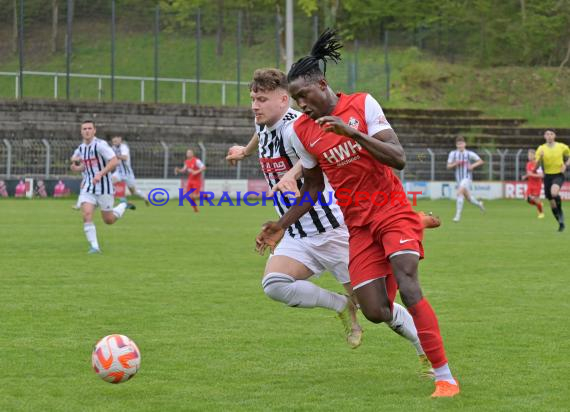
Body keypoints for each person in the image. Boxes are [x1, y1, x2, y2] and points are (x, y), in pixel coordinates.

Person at [255, 30, 459, 397]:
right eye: (297, 99)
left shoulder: (363, 105)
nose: (302, 105)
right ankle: (417, 226)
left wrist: (352, 133)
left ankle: (444, 376)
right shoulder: (302, 131)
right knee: (375, 311)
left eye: (305, 95)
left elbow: (398, 157)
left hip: (392, 210)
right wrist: (281, 225)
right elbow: (314, 188)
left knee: (409, 286)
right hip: (358, 228)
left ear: (323, 84)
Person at [70, 120, 132, 253]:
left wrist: (100, 174)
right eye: (84, 129)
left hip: (104, 187)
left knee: (108, 220)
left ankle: (123, 205)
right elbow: (86, 166)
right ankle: (94, 247)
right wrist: (77, 168)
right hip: (88, 186)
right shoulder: (81, 148)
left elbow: (114, 161)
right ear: (81, 131)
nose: (87, 131)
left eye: (89, 128)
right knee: (86, 214)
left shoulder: (100, 145)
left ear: (94, 131)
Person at [535, 129, 570, 232]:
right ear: (544, 136)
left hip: (558, 175)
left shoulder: (561, 146)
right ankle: (560, 222)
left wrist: (566, 165)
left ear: (554, 136)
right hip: (547, 177)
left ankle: (561, 214)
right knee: (552, 203)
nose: (549, 136)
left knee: (554, 193)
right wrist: (540, 158)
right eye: (547, 134)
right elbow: (536, 166)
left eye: (551, 134)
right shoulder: (541, 149)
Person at [446, 136, 485, 222]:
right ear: (456, 145)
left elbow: (480, 161)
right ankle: (479, 204)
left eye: (461, 144)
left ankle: (457, 216)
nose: (460, 146)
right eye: (458, 144)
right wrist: (455, 163)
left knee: (459, 192)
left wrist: (472, 166)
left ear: (465, 144)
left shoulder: (469, 154)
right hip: (459, 179)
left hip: (467, 178)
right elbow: (448, 166)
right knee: (468, 198)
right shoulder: (453, 154)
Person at [110, 136, 149, 206]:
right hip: (118, 172)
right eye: (113, 142)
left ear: (120, 140)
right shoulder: (113, 148)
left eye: (115, 141)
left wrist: (115, 156)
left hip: (128, 174)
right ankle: (115, 200)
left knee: (133, 192)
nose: (114, 143)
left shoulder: (124, 147)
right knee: (108, 182)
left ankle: (144, 196)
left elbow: (125, 157)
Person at [522, 149, 544, 218]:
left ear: (534, 156)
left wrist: (531, 175)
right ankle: (539, 204)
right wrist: (525, 176)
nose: (529, 156)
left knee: (535, 199)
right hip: (530, 184)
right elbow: (529, 173)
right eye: (528, 155)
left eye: (531, 155)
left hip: (537, 185)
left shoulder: (537, 164)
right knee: (527, 199)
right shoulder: (528, 164)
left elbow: (541, 175)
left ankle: (541, 213)